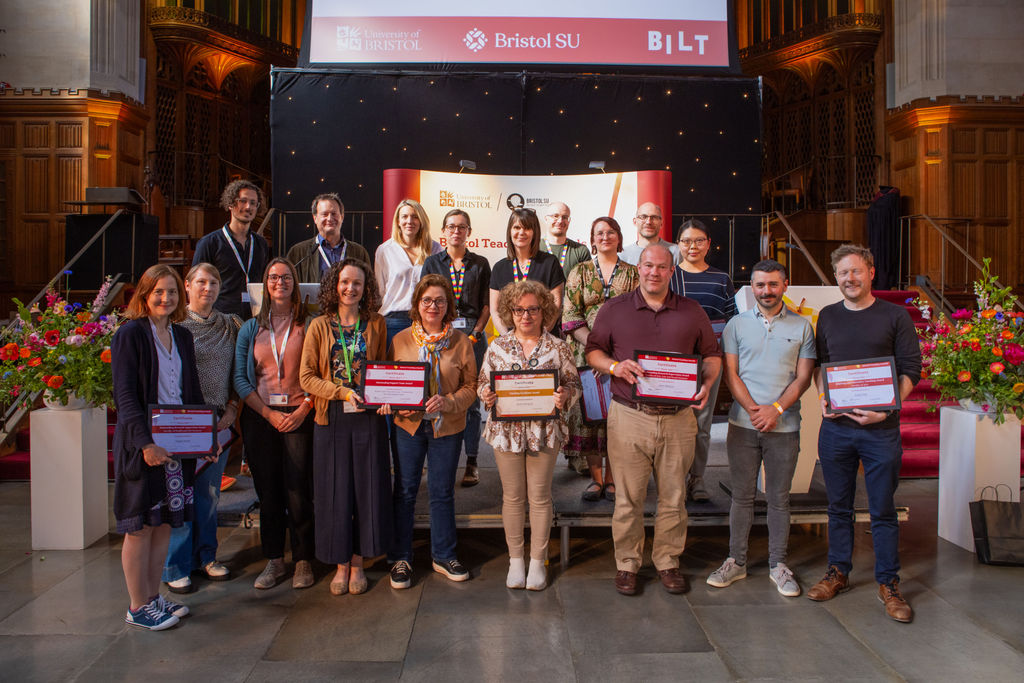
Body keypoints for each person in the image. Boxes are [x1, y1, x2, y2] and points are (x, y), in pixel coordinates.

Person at [585, 244, 721, 596]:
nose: (654, 273)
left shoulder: (692, 311)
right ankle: (627, 564)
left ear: (672, 270)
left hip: (678, 419)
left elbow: (711, 355)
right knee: (628, 498)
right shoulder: (615, 309)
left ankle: (667, 561)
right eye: (648, 266)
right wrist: (616, 367)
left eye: (662, 267)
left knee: (674, 497)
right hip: (630, 416)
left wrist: (706, 384)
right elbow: (593, 351)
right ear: (639, 268)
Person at [808, 244, 921, 623]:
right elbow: (822, 366)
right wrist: (824, 396)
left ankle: (888, 584)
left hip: (881, 431)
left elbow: (910, 370)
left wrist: (885, 409)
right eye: (842, 273)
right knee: (837, 507)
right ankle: (837, 572)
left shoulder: (896, 316)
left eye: (856, 271)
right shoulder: (827, 316)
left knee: (882, 510)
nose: (849, 279)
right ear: (835, 277)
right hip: (836, 429)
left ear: (871, 272)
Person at [706, 259, 815, 597]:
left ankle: (778, 564)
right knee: (741, 496)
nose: (766, 291)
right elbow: (731, 374)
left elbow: (804, 376)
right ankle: (736, 561)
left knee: (779, 498)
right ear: (751, 288)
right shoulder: (736, 325)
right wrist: (754, 410)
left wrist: (777, 409)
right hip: (743, 423)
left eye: (772, 284)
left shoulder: (803, 327)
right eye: (759, 285)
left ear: (785, 285)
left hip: (786, 426)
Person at [112, 264, 207, 630]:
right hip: (144, 447)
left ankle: (152, 597)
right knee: (139, 527)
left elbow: (192, 390)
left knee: (165, 523)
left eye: (171, 292)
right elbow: (125, 397)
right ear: (144, 295)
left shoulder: (182, 335)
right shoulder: (130, 334)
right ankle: (137, 607)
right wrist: (145, 444)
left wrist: (205, 438)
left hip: (178, 447)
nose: (166, 299)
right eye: (158, 292)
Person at [478, 280, 581, 591]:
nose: (525, 315)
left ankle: (537, 561)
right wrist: (486, 393)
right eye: (519, 310)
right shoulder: (496, 346)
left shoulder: (559, 347)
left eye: (533, 309)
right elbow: (483, 382)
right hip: (506, 432)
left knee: (539, 497)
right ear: (511, 311)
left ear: (543, 311)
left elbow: (574, 385)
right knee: (512, 497)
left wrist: (565, 397)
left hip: (543, 431)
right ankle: (516, 561)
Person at [299, 258, 391, 596]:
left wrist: (386, 398)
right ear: (333, 285)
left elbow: (385, 370)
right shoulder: (319, 326)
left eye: (357, 283)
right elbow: (306, 377)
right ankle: (339, 564)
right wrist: (341, 391)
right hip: (331, 417)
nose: (350, 288)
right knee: (335, 492)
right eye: (345, 282)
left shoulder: (377, 324)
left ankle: (357, 562)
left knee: (366, 490)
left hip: (369, 417)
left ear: (366, 288)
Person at [382, 274, 478, 589]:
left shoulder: (462, 342)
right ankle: (400, 557)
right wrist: (396, 405)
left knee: (441, 492)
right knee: (405, 491)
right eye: (427, 300)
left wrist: (448, 402)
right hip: (408, 427)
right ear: (417, 305)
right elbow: (388, 384)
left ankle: (443, 555)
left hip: (446, 428)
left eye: (439, 300)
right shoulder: (400, 340)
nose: (433, 306)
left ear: (448, 304)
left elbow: (472, 388)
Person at [233, 258, 316, 590]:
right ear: (265, 284)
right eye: (272, 277)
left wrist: (304, 408)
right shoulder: (250, 328)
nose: (279, 282)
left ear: (294, 283)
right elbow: (241, 379)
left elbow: (320, 371)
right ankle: (274, 560)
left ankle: (304, 560)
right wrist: (268, 414)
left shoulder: (308, 325)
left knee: (299, 490)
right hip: (261, 417)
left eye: (285, 277)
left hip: (300, 414)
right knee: (268, 492)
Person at [162, 263, 242, 594]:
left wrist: (232, 411)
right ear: (188, 285)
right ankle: (176, 565)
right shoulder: (174, 325)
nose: (207, 288)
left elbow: (241, 371)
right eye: (201, 282)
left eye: (213, 282)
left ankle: (206, 556)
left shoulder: (230, 325)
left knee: (208, 495)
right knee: (180, 495)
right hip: (182, 423)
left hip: (219, 422)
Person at [562, 217, 639, 502]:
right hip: (584, 357)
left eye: (610, 232)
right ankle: (596, 479)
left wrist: (612, 356)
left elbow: (638, 315)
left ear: (619, 237)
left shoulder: (634, 273)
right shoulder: (578, 272)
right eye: (599, 233)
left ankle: (612, 479)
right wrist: (597, 351)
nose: (605, 237)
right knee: (590, 417)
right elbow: (570, 315)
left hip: (622, 358)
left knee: (617, 418)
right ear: (591, 239)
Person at [669, 218, 738, 503]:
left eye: (699, 240)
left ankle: (697, 479)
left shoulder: (721, 279)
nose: (692, 246)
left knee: (702, 423)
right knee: (672, 423)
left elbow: (732, 321)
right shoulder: (669, 276)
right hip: (674, 361)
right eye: (686, 241)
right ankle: (672, 479)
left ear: (709, 244)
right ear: (678, 244)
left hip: (709, 359)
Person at [422, 209, 491, 487]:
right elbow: (424, 300)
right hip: (441, 332)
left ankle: (472, 461)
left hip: (472, 333)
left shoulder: (480, 263)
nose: (456, 231)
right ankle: (438, 460)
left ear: (469, 232)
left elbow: (487, 304)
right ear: (444, 232)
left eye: (462, 227)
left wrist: (475, 333)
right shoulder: (432, 262)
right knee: (439, 395)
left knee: (471, 400)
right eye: (451, 227)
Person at [192, 179, 269, 319]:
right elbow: (196, 284)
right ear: (230, 204)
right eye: (243, 201)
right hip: (220, 319)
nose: (248, 207)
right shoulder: (209, 243)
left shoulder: (261, 244)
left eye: (253, 203)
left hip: (255, 318)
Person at [376, 198, 443, 347]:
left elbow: (441, 287)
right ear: (398, 221)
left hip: (426, 319)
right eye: (404, 216)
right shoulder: (385, 250)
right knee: (394, 369)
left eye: (414, 216)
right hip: (393, 320)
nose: (409, 221)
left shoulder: (435, 249)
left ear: (421, 220)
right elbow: (379, 290)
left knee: (426, 368)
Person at [489, 208, 565, 335]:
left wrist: (539, 336)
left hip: (544, 340)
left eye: (527, 228)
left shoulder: (550, 263)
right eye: (517, 227)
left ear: (535, 232)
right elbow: (495, 310)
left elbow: (556, 305)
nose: (521, 232)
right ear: (510, 231)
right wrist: (510, 339)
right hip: (512, 344)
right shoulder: (499, 267)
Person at [286, 193, 371, 283]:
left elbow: (369, 286)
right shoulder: (298, 253)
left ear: (342, 217)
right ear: (315, 218)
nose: (330, 218)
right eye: (324, 214)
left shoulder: (359, 252)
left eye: (334, 214)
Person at [540, 201, 591, 278]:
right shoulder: (534, 248)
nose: (560, 221)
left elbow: (588, 282)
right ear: (546, 219)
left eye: (564, 217)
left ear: (569, 221)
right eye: (555, 216)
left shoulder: (581, 250)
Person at [619, 202, 680, 266]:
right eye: (643, 217)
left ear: (661, 223)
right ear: (635, 222)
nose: (648, 222)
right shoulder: (623, 255)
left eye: (654, 217)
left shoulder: (675, 252)